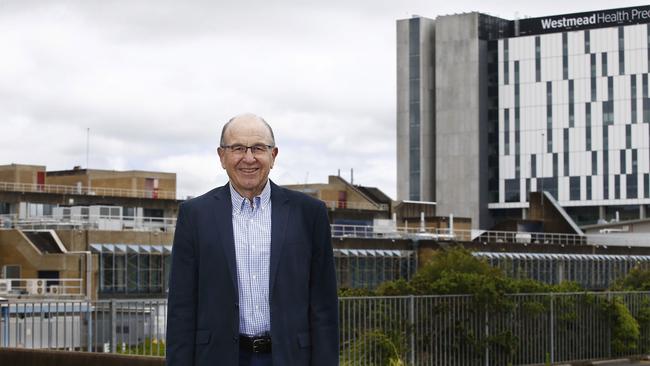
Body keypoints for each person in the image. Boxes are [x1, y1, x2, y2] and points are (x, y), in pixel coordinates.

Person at [166, 113, 339, 366]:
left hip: (291, 358)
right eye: (237, 148)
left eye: (258, 148)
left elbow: (324, 306)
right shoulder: (194, 216)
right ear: (222, 156)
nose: (249, 158)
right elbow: (181, 308)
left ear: (274, 155)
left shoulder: (309, 213)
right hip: (218, 358)